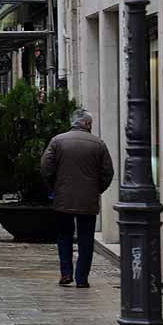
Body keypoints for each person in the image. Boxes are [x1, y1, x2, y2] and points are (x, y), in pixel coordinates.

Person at [41, 109, 115, 288]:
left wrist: (54, 187)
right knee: (86, 238)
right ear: (88, 124)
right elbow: (107, 173)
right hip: (88, 200)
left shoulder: (58, 141)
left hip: (63, 198)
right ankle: (82, 278)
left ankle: (66, 273)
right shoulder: (98, 144)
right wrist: (96, 189)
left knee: (64, 236)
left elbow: (45, 167)